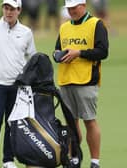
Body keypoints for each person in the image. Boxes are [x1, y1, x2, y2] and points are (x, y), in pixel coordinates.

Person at [0, 0, 36, 168]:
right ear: (3, 8)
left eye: (12, 9)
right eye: (6, 8)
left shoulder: (26, 32)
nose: (8, 12)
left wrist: (30, 80)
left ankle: (8, 159)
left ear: (19, 10)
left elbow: (33, 58)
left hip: (17, 84)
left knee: (13, 123)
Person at [53, 0, 109, 168]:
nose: (71, 11)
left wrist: (79, 53)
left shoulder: (96, 24)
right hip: (66, 79)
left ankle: (95, 161)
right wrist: (58, 54)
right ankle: (75, 158)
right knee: (71, 124)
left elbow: (103, 52)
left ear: (83, 5)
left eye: (74, 7)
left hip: (86, 81)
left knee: (89, 121)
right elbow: (57, 48)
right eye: (69, 8)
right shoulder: (64, 27)